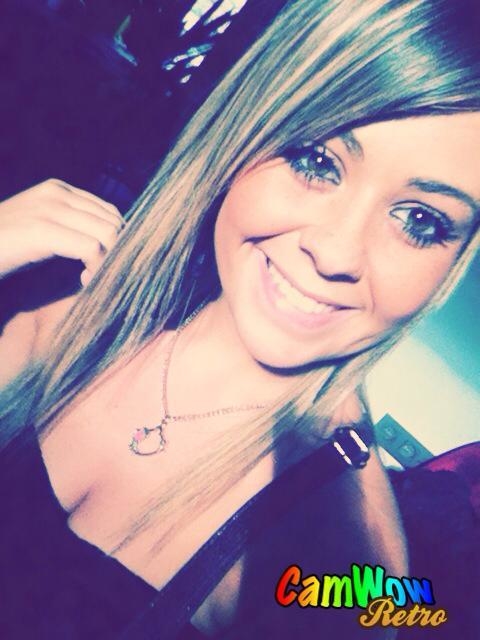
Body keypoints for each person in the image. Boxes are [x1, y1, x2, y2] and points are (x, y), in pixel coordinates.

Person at [0, 0, 479, 638]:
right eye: (317, 161)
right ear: (245, 129)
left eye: (420, 220)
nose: (335, 253)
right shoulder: (56, 306)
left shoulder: (345, 568)